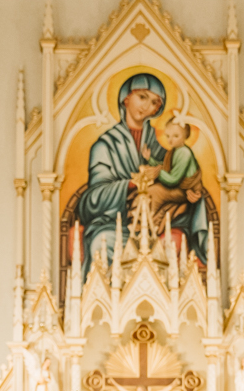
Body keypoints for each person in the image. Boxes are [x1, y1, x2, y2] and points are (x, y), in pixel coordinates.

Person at [77, 73, 208, 276]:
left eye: (155, 102)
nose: (147, 106)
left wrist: (193, 194)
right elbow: (91, 200)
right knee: (101, 243)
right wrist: (130, 184)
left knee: (171, 245)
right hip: (116, 224)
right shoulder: (104, 146)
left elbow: (178, 179)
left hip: (157, 224)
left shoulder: (163, 145)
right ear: (125, 98)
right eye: (142, 97)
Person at [141, 117, 203, 238]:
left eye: (175, 136)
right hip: (179, 188)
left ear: (185, 136)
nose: (170, 140)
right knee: (148, 191)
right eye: (168, 136)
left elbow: (173, 179)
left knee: (154, 192)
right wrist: (150, 159)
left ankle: (150, 226)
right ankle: (148, 224)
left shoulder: (184, 153)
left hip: (183, 191)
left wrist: (158, 173)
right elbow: (164, 167)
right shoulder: (175, 151)